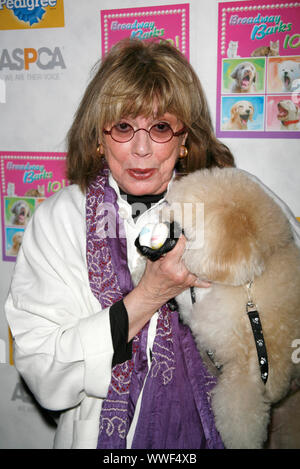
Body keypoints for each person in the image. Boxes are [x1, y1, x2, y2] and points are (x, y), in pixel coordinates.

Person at [5, 39, 300, 450]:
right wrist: (149, 295)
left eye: (160, 127)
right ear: (98, 137)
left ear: (183, 138)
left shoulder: (236, 202)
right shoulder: (60, 220)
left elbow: (289, 325)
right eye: (124, 127)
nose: (141, 149)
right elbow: (43, 370)